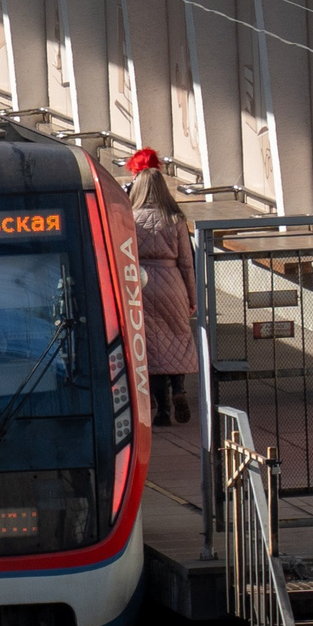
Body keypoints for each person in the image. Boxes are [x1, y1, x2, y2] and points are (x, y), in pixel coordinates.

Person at [126, 147, 198, 426]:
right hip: (172, 283)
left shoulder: (130, 218)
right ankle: (179, 389)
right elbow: (187, 263)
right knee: (177, 339)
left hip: (141, 284)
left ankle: (163, 411)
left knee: (153, 346)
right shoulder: (175, 218)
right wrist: (191, 297)